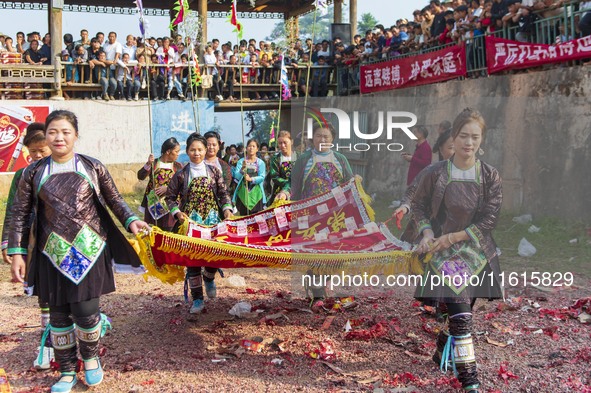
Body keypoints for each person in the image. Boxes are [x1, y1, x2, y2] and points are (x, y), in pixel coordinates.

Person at [8, 110, 149, 392]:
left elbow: (115, 200)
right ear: (46, 136)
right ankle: (67, 372)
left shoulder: (92, 166)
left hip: (90, 250)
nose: (59, 137)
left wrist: (132, 220)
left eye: (65, 132)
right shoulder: (33, 173)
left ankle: (91, 358)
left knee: (86, 313)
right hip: (52, 252)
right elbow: (19, 214)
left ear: (75, 135)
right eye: (53, 132)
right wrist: (17, 252)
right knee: (58, 317)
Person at [412, 108, 503, 393]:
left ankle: (442, 349)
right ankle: (470, 382)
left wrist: (454, 237)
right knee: (463, 319)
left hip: (477, 252)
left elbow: (489, 219)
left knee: (459, 314)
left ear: (482, 139)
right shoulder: (435, 173)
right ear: (454, 136)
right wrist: (427, 232)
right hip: (443, 255)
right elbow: (418, 207)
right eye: (463, 135)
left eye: (475, 137)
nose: (468, 142)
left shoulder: (490, 176)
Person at [1, 124, 53, 370]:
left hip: (64, 240)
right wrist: (10, 245)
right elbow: (13, 209)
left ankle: (71, 338)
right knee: (42, 289)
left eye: (41, 150)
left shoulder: (65, 170)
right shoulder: (22, 175)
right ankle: (47, 342)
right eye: (32, 152)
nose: (37, 156)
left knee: (66, 291)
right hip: (34, 240)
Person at [165, 133, 233, 314]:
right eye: (193, 150)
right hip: (191, 223)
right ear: (187, 151)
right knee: (193, 260)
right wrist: (177, 212)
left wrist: (227, 209)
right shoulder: (180, 175)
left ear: (205, 151)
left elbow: (223, 193)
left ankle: (209, 277)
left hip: (212, 221)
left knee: (213, 255)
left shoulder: (214, 171)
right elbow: (170, 197)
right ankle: (197, 300)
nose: (197, 153)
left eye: (200, 149)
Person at [290, 125, 353, 201]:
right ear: (312, 137)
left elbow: (350, 183)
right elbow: (293, 184)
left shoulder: (341, 159)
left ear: (332, 138)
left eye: (326, 137)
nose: (322, 140)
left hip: (337, 210)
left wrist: (356, 180)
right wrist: (285, 193)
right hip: (310, 209)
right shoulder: (303, 159)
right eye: (318, 136)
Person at [137, 138, 183, 230]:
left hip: (170, 204)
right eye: (176, 151)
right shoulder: (154, 164)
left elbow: (182, 185)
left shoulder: (177, 166)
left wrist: (168, 189)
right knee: (154, 230)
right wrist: (148, 164)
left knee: (169, 230)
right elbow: (140, 176)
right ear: (168, 151)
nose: (178, 154)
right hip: (153, 204)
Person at [232, 139, 267, 215]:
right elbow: (236, 176)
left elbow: (262, 177)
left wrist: (251, 179)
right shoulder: (241, 161)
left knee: (256, 217)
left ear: (257, 149)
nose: (251, 148)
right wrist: (242, 169)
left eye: (253, 146)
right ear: (246, 148)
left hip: (256, 194)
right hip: (243, 193)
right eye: (249, 146)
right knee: (243, 216)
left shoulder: (261, 163)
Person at [268, 130, 297, 204]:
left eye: (285, 142)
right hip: (281, 190)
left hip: (298, 189)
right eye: (280, 143)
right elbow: (275, 176)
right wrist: (288, 183)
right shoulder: (276, 158)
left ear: (291, 142)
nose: (283, 145)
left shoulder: (299, 156)